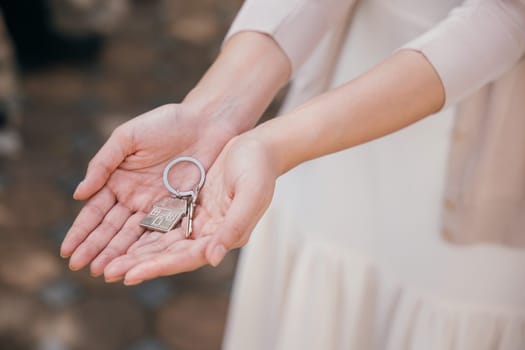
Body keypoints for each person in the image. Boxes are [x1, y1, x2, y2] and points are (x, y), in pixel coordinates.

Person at [61, 0, 525, 348]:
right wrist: (214, 111)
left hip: (482, 164)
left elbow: (507, 15)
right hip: (328, 128)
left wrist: (275, 142)